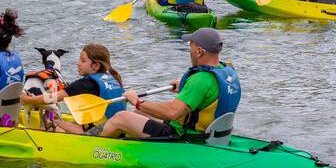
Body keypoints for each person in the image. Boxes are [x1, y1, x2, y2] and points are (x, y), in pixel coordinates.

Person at [100, 28, 240, 140]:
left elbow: (171, 113)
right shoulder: (227, 70)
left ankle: (97, 151)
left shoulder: (200, 80)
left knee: (121, 117)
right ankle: (126, 141)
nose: (189, 51)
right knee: (139, 112)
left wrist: (137, 101)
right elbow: (211, 94)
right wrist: (185, 86)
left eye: (190, 46)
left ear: (199, 51)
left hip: (185, 136)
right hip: (212, 134)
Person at [23, 43, 126, 134]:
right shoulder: (112, 79)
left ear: (96, 66)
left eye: (83, 60)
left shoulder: (87, 83)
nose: (78, 63)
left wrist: (27, 100)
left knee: (48, 120)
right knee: (66, 121)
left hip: (101, 132)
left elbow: (53, 98)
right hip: (117, 129)